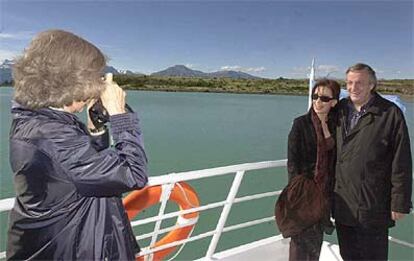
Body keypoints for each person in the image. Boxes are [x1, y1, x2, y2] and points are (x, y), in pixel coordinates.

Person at [6, 29, 148, 260]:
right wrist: (120, 116)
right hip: (72, 249)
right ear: (74, 80)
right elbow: (133, 174)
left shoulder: (37, 121)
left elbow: (88, 174)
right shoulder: (53, 135)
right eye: (95, 77)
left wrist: (95, 128)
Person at [334, 63, 412, 260]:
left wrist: (400, 202)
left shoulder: (390, 113)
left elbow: (401, 160)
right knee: (348, 255)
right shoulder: (340, 109)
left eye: (359, 83)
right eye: (349, 83)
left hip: (373, 204)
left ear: (372, 85)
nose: (353, 88)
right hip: (344, 205)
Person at [286, 78, 340, 260]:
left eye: (324, 98)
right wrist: (300, 193)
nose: (318, 101)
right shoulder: (300, 124)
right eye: (315, 96)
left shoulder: (337, 126)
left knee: (316, 243)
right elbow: (293, 163)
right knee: (299, 244)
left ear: (333, 102)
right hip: (304, 194)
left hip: (325, 194)